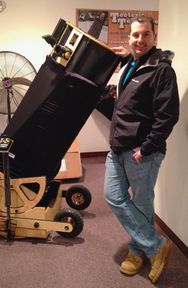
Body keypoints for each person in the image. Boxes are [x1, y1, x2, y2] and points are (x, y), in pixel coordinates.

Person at [96, 16, 179, 283]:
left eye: (145, 35)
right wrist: (122, 58)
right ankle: (155, 245)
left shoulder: (162, 70)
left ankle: (136, 251)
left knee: (142, 205)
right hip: (117, 147)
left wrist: (147, 147)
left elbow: (167, 116)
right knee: (113, 196)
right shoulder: (132, 64)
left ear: (154, 37)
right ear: (128, 38)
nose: (139, 40)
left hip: (141, 152)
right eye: (135, 36)